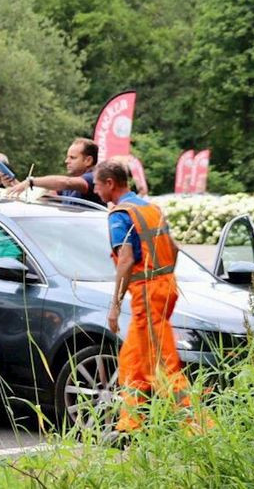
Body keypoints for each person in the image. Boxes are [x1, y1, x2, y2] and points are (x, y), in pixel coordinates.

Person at [93, 159, 190, 433]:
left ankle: (197, 427)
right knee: (131, 361)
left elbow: (125, 260)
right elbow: (174, 248)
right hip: (164, 287)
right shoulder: (150, 208)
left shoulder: (120, 214)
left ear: (110, 184)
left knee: (161, 365)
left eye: (98, 185)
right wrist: (162, 278)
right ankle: (131, 424)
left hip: (146, 294)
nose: (97, 191)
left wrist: (114, 306)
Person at [6, 137, 103, 206]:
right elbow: (44, 198)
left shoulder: (92, 178)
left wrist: (31, 182)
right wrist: (16, 188)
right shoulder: (71, 184)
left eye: (72, 158)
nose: (66, 161)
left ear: (88, 161)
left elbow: (65, 182)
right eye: (67, 157)